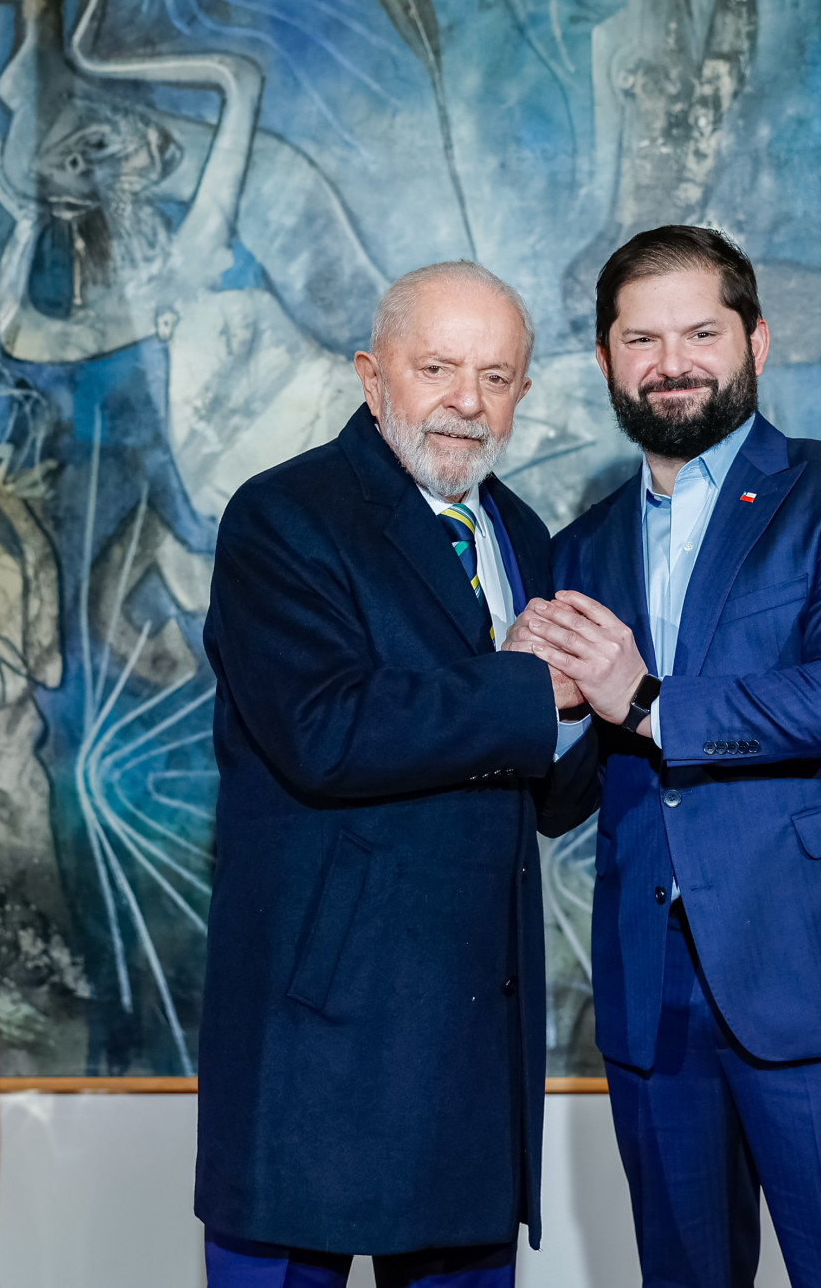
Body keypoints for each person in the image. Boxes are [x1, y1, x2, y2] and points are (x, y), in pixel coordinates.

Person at [520, 226, 821, 1286]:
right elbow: (565, 794)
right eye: (641, 338)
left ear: (757, 342)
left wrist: (641, 698)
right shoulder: (581, 546)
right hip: (653, 997)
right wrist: (536, 707)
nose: (670, 361)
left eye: (699, 332)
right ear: (605, 361)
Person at [197, 262, 600, 1286]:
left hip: (472, 1041)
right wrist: (531, 689)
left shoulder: (526, 533)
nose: (468, 400)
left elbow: (544, 790)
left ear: (521, 394)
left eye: (497, 375)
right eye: (438, 368)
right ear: (374, 380)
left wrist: (612, 699)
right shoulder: (281, 518)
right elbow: (323, 730)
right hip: (319, 1040)